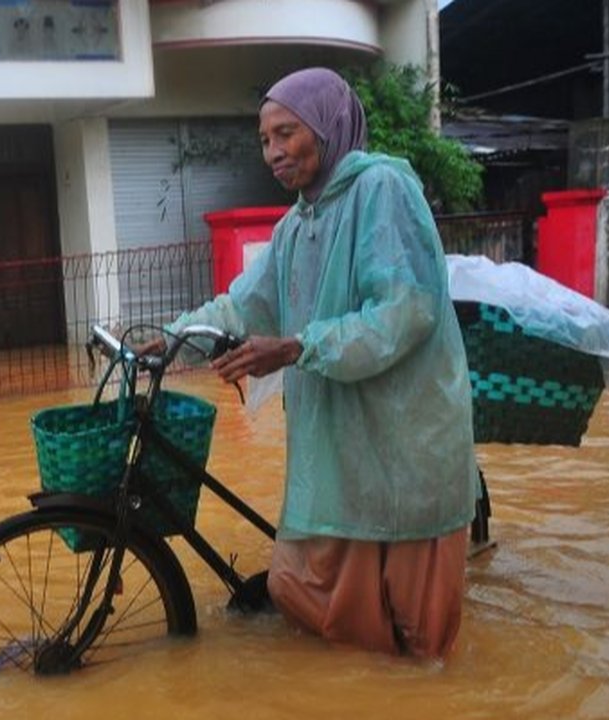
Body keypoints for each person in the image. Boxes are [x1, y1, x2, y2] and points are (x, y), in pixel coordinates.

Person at [149, 67, 478, 658]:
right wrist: (170, 337)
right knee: (305, 593)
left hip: (403, 440)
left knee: (420, 637)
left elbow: (407, 310)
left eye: (286, 134)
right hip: (337, 449)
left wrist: (300, 346)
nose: (273, 153)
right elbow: (244, 304)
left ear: (327, 128)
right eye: (265, 140)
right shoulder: (295, 225)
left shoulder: (383, 189)